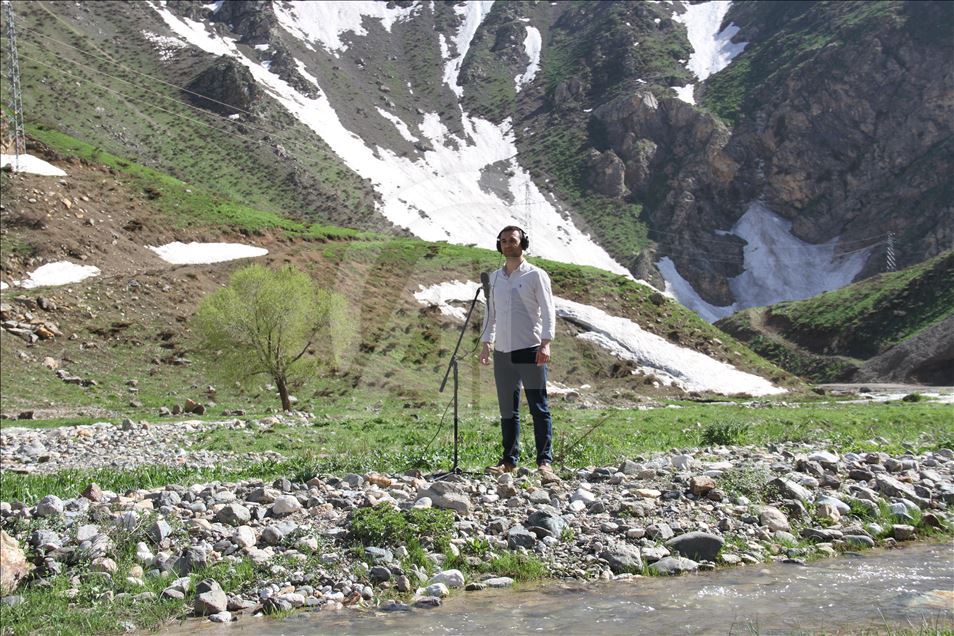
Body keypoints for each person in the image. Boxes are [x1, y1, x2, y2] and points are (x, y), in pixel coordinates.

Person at [479, 225, 559, 480]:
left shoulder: (536, 275)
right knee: (507, 410)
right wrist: (486, 342)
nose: (507, 244)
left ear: (523, 243)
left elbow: (548, 310)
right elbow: (490, 313)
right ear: (498, 245)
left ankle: (544, 462)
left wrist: (546, 343)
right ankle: (508, 461)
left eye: (512, 240)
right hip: (503, 352)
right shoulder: (494, 278)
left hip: (530, 349)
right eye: (503, 241)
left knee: (538, 408)